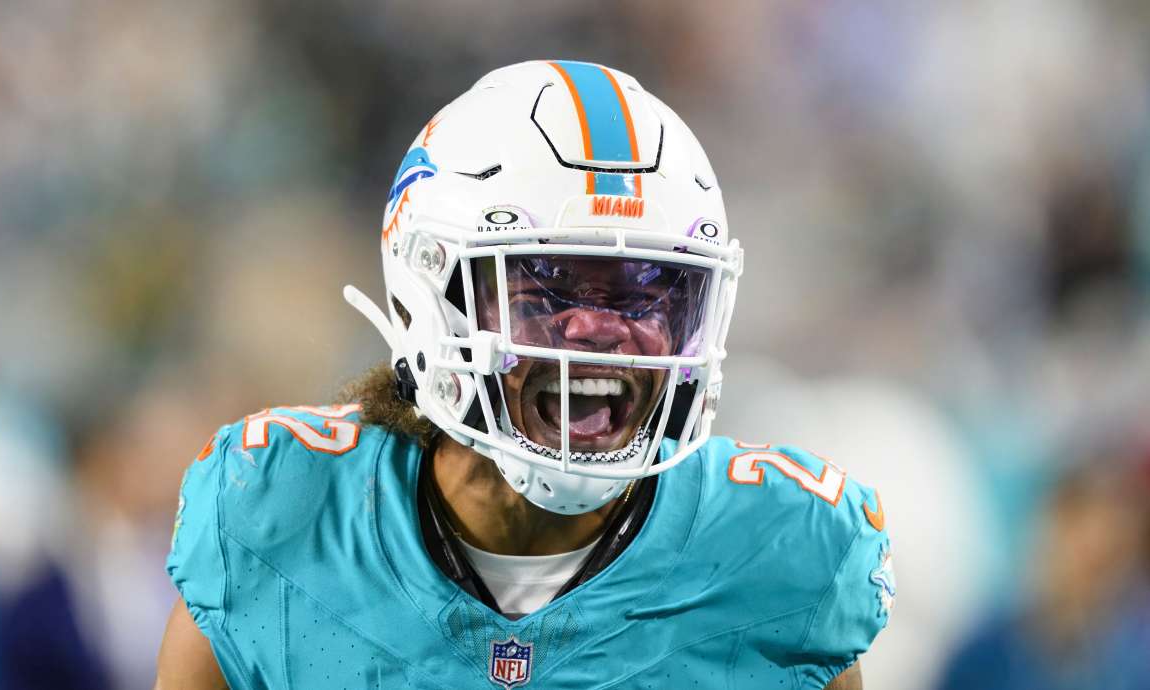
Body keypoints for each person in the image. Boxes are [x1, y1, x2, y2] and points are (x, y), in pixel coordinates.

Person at [154, 60, 892, 690]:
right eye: (547, 284)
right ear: (431, 295)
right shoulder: (278, 515)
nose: (600, 330)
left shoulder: (781, 556)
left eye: (648, 290)